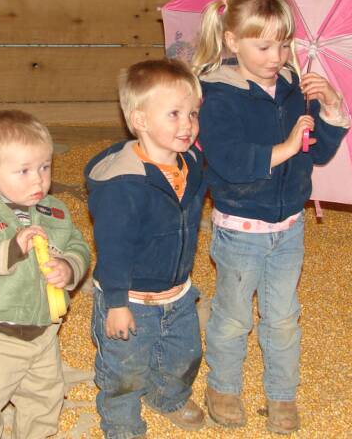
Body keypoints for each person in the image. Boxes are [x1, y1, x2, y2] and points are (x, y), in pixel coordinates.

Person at [191, 0, 350, 434]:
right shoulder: (217, 96)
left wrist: (330, 110)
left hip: (289, 228)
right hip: (241, 229)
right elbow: (232, 162)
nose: (275, 55)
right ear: (230, 41)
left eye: (283, 43)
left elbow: (315, 154)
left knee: (282, 317)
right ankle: (223, 386)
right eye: (262, 45)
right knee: (234, 316)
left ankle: (281, 394)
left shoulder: (292, 88)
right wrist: (283, 147)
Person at [84, 59, 207, 439]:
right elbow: (114, 249)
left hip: (178, 292)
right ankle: (120, 420)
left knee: (184, 355)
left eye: (192, 113)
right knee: (124, 368)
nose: (187, 124)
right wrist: (117, 304)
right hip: (132, 297)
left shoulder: (192, 163)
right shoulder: (124, 185)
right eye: (173, 114)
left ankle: (168, 396)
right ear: (139, 119)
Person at [0, 110, 91, 439]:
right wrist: (12, 248)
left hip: (43, 334)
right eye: (24, 171)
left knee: (44, 399)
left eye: (45, 167)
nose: (38, 179)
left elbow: (78, 245)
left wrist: (69, 267)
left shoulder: (54, 211)